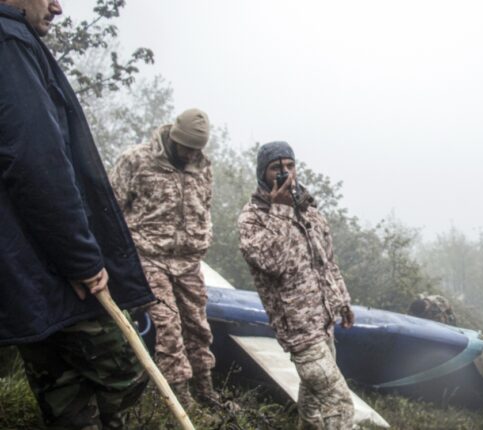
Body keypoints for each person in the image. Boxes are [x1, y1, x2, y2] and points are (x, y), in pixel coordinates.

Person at [0, 1, 155, 428]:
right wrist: (81, 259)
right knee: (124, 374)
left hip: (22, 273)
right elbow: (36, 161)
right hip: (51, 267)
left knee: (65, 398)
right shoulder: (10, 41)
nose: (58, 7)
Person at [238, 141, 355, 429]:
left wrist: (342, 299)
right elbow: (272, 262)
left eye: (290, 166)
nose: (285, 173)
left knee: (314, 402)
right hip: (298, 328)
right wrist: (280, 209)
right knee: (339, 404)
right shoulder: (252, 217)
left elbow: (326, 261)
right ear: (262, 173)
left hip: (323, 320)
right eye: (276, 168)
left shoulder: (309, 209)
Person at [110, 108, 222, 408]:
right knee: (168, 326)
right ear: (174, 137)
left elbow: (205, 207)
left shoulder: (202, 167)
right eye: (186, 146)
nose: (190, 153)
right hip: (148, 257)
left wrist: (203, 238)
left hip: (188, 263)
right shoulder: (137, 160)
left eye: (197, 148)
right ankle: (180, 400)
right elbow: (110, 208)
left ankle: (206, 392)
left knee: (198, 328)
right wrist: (117, 258)